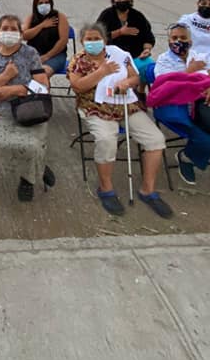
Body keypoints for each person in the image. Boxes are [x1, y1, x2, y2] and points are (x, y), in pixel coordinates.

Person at [67, 22, 172, 218]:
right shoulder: (78, 61)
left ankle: (148, 190)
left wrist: (127, 83)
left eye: (97, 38)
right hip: (95, 106)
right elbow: (78, 86)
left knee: (155, 139)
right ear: (82, 41)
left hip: (125, 104)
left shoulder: (118, 54)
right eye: (89, 39)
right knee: (107, 140)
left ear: (104, 40)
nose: (93, 42)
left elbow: (136, 78)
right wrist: (102, 72)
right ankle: (105, 188)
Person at [152, 22, 210, 185]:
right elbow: (168, 86)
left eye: (183, 37)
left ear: (190, 41)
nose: (178, 41)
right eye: (174, 38)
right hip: (180, 106)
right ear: (168, 41)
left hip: (208, 103)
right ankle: (186, 157)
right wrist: (191, 70)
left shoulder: (200, 57)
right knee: (206, 140)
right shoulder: (163, 60)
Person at [0, 15, 53, 202]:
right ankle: (39, 166)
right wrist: (5, 76)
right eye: (5, 28)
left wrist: (17, 89)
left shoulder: (30, 53)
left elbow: (44, 85)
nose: (9, 32)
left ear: (20, 33)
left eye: (13, 29)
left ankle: (27, 180)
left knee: (32, 145)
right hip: (0, 113)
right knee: (3, 145)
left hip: (30, 110)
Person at [97, 0, 155, 82]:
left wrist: (146, 50)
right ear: (113, 1)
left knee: (150, 69)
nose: (122, 1)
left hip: (136, 56)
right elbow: (99, 36)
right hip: (111, 56)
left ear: (131, 0)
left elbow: (148, 36)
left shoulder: (138, 16)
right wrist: (119, 32)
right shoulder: (106, 15)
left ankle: (141, 88)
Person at [22, 0, 70, 76]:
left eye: (47, 2)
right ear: (35, 5)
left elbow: (63, 40)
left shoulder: (60, 17)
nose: (44, 5)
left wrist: (47, 56)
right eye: (40, 3)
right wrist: (42, 25)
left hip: (56, 55)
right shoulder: (31, 17)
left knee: (42, 73)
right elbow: (24, 35)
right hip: (34, 53)